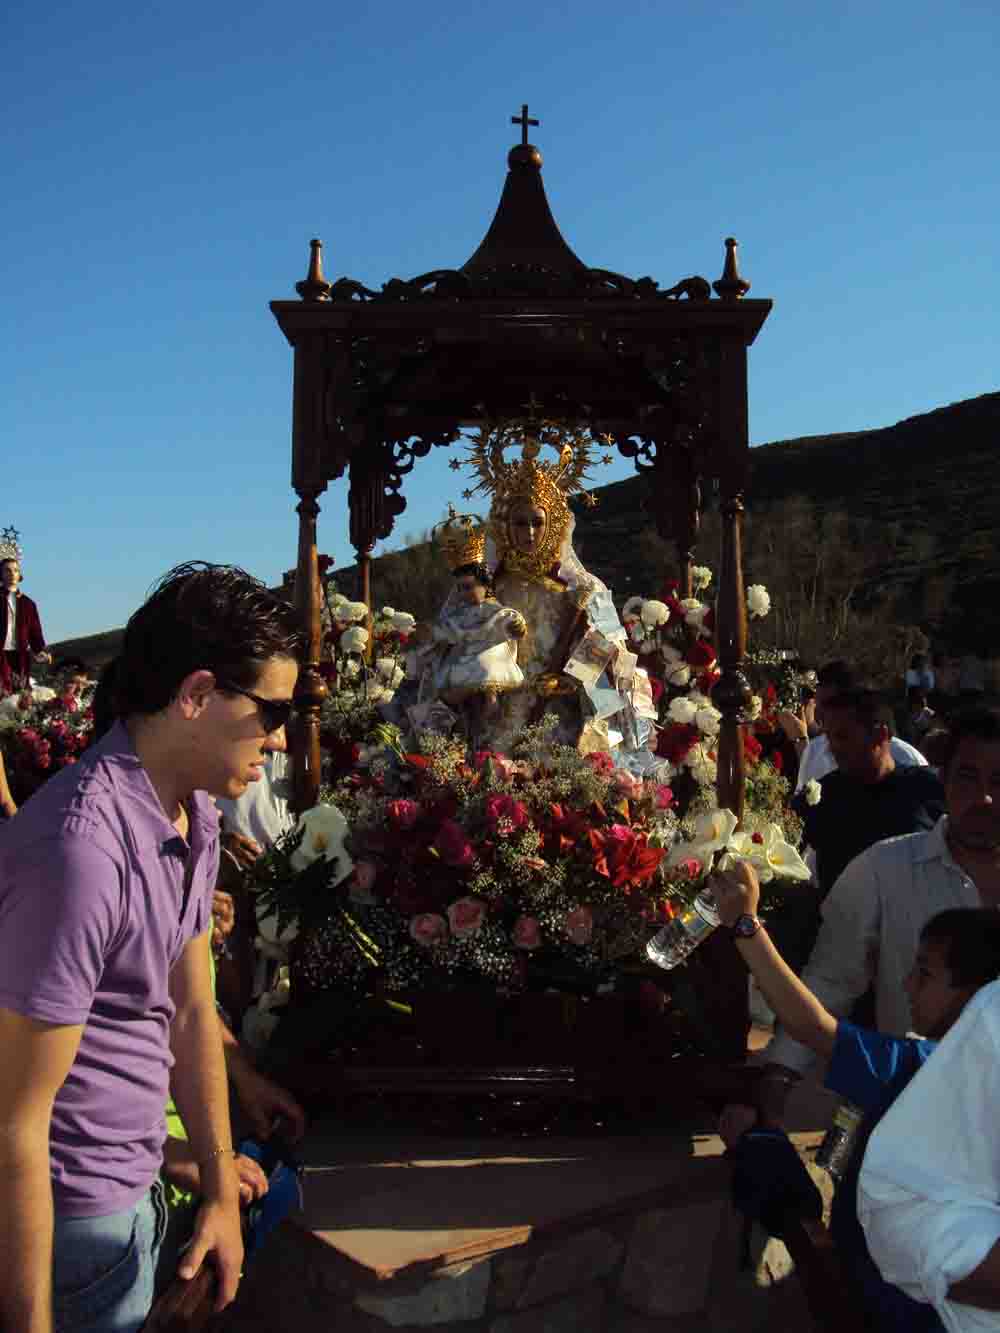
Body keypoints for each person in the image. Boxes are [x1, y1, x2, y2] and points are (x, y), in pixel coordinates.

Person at [0, 561, 301, 1333]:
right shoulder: (82, 852)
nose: (280, 735)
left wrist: (215, 1187)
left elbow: (192, 1010)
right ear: (197, 695)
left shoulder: (191, 814)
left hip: (133, 1193)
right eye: (269, 710)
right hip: (73, 1227)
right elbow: (15, 1121)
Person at [715, 858, 1000, 1330]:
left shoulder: (914, 1068)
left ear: (976, 999)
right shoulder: (919, 1058)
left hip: (887, 1299)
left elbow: (812, 1026)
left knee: (762, 1150)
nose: (907, 985)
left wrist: (747, 925)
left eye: (925, 975)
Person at [764, 706, 1000, 1086]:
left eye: (999, 781)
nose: (984, 798)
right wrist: (779, 1077)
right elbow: (830, 982)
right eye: (969, 778)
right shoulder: (883, 870)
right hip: (915, 1108)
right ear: (944, 779)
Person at [859, 980, 1000, 1332]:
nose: (906, 985)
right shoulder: (901, 1060)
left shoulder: (905, 1059)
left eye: (924, 973)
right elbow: (810, 1026)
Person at [796, 687, 945, 898]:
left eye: (842, 736)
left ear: (880, 734)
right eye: (829, 737)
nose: (832, 748)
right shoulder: (819, 796)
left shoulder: (930, 788)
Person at [781, 660, 927, 794]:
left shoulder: (909, 760)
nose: (823, 715)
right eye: (819, 705)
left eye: (832, 704)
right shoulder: (814, 751)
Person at [0, 551, 50, 695]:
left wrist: (40, 649)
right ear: (1, 574)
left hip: (20, 655)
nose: (12, 574)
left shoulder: (28, 604)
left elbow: (35, 632)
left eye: (15, 570)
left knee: (20, 695)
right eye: (7, 570)